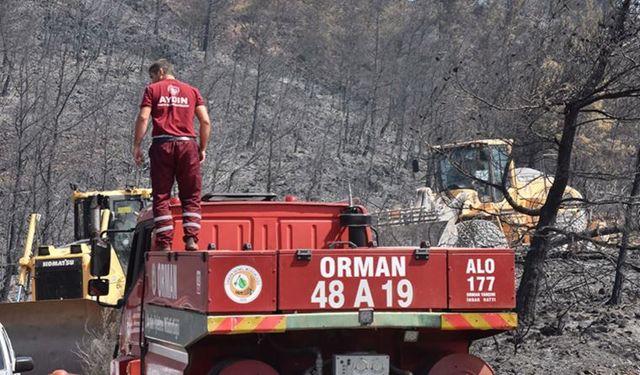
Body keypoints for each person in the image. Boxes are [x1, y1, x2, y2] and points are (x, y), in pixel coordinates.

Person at [133, 59, 211, 251]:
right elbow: (205, 121)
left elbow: (144, 117)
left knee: (161, 196)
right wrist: (202, 148)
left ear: (160, 72)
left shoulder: (152, 90)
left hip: (163, 145)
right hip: (188, 145)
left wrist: (137, 145)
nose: (151, 82)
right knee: (191, 195)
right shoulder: (192, 91)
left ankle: (165, 242)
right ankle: (191, 239)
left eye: (152, 77)